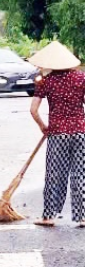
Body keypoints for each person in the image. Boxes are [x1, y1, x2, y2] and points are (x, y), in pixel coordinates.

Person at [29, 41, 85, 227]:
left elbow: (33, 110)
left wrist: (42, 126)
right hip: (80, 132)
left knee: (54, 174)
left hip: (57, 133)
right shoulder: (81, 78)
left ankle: (49, 216)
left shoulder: (46, 81)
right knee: (80, 174)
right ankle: (82, 216)